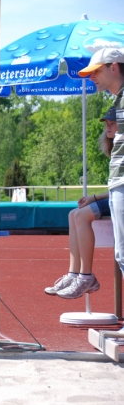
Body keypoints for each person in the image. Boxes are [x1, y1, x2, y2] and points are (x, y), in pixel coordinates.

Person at [44, 107, 117, 298]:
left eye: (112, 124)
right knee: (73, 213)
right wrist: (94, 197)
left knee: (82, 215)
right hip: (115, 195)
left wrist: (94, 198)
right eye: (106, 124)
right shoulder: (115, 147)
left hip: (121, 199)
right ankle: (73, 273)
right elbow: (114, 185)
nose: (108, 127)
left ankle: (86, 276)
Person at [76, 49, 124, 306]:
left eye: (96, 71)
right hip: (118, 184)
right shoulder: (119, 101)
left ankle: (82, 275)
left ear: (114, 68)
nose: (91, 77)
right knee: (121, 253)